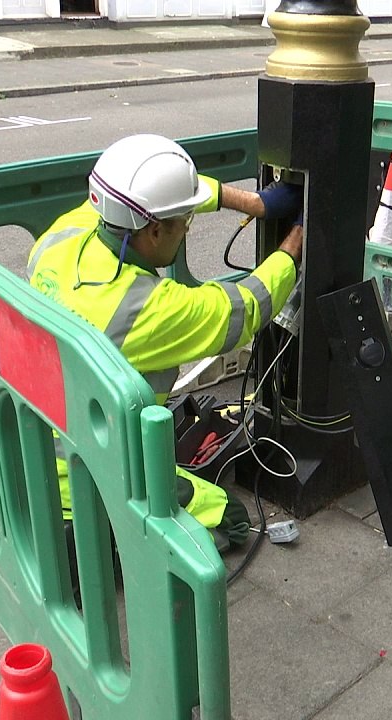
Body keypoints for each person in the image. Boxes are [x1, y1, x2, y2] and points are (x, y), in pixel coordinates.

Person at [27, 133, 304, 553]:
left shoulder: (63, 237)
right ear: (155, 231)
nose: (188, 225)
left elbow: (143, 197)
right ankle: (103, 550)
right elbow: (247, 306)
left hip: (33, 451)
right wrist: (296, 240)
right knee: (230, 521)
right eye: (185, 221)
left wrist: (255, 204)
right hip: (94, 478)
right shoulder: (146, 310)